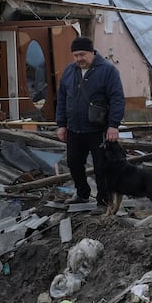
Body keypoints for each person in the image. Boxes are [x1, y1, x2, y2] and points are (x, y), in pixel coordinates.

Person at [56, 36, 125, 206]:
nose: (79, 59)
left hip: (98, 129)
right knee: (73, 163)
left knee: (101, 166)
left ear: (92, 52)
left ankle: (104, 198)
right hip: (74, 128)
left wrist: (113, 125)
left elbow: (117, 98)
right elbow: (62, 98)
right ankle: (82, 193)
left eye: (82, 54)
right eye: (75, 55)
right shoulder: (70, 70)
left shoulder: (108, 70)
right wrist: (61, 124)